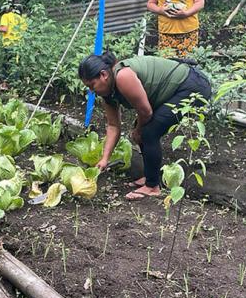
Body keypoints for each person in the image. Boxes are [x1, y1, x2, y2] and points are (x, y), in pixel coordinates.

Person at [79, 52, 211, 201]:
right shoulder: (107, 94)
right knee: (142, 129)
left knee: (148, 131)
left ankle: (152, 186)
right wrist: (104, 159)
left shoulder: (123, 76)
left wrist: (138, 130)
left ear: (103, 75)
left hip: (193, 87)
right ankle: (151, 176)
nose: (91, 91)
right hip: (176, 89)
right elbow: (113, 126)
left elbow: (146, 112)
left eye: (92, 85)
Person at [0, 0, 27, 90]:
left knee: (6, 65)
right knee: (16, 65)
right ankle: (16, 87)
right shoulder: (21, 18)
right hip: (19, 45)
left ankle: (5, 85)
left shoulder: (5, 16)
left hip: (9, 44)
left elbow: (4, 29)